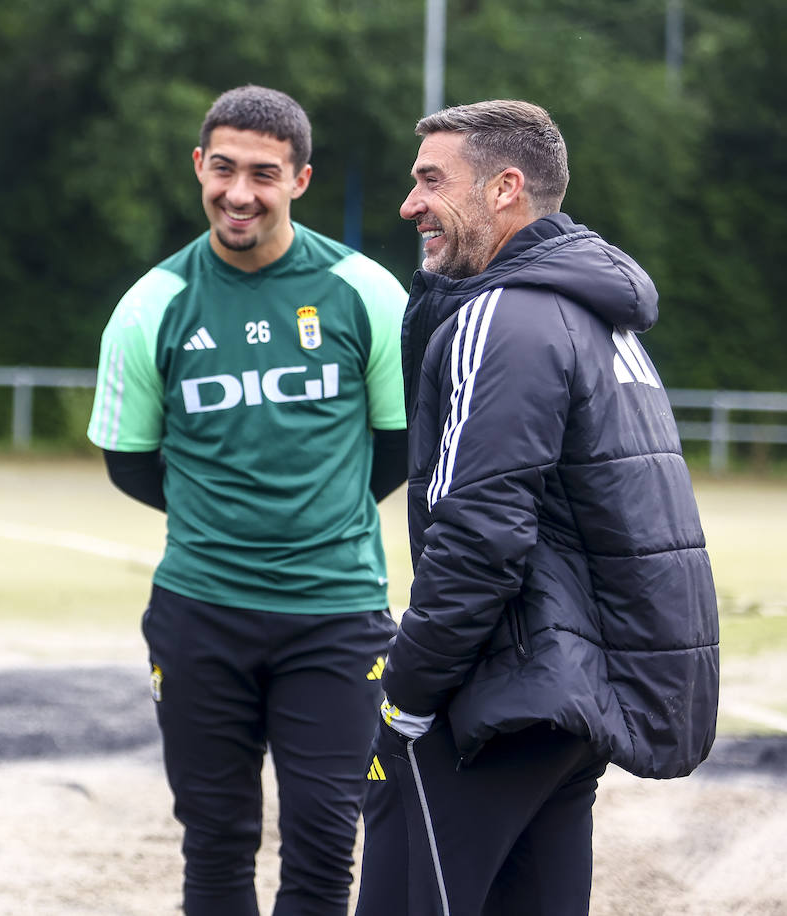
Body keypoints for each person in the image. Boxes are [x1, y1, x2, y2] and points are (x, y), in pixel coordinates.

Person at [355, 100, 720, 916]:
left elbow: (479, 534)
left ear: (506, 189)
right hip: (568, 702)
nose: (411, 205)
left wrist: (407, 693)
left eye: (430, 180)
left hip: (497, 698)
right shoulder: (597, 316)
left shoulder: (501, 315)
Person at [87, 85, 410, 915]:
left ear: (300, 179)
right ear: (199, 166)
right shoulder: (151, 305)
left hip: (337, 617)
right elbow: (130, 461)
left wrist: (315, 518)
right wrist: (222, 520)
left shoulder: (366, 292)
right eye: (223, 169)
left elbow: (399, 446)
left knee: (324, 842)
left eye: (263, 174)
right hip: (201, 613)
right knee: (216, 844)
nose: (239, 193)